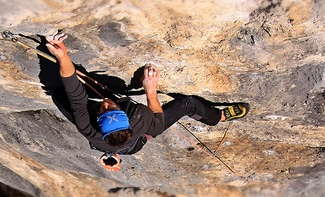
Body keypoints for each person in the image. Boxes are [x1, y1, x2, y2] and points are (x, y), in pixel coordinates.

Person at [46, 32, 249, 158]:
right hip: (132, 146)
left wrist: (63, 56)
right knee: (188, 104)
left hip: (102, 139)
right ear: (126, 118)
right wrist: (150, 90)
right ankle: (219, 117)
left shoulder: (87, 125)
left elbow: (74, 90)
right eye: (111, 108)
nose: (106, 104)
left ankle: (109, 152)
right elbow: (158, 123)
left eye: (104, 109)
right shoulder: (141, 118)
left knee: (59, 94)